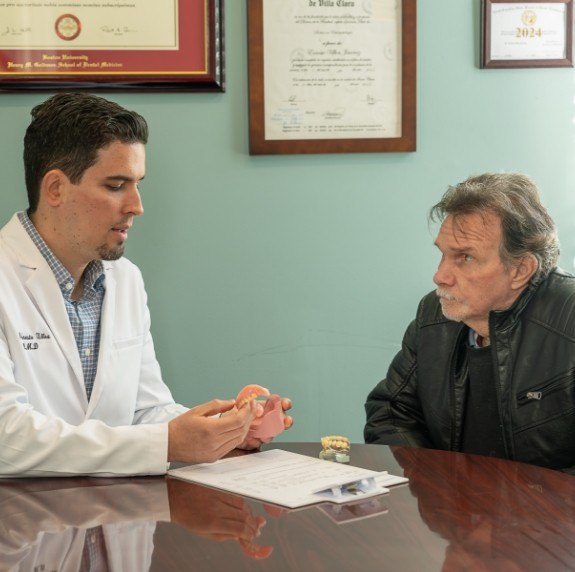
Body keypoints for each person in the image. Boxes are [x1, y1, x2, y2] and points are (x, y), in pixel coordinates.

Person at [0, 92, 292, 477]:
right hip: (24, 527)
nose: (136, 205)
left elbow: (146, 412)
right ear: (55, 188)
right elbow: (8, 438)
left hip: (118, 521)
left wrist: (226, 430)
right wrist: (168, 442)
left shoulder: (125, 280)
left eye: (137, 184)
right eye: (116, 185)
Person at [364, 172, 575, 472]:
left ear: (521, 269)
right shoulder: (434, 314)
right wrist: (436, 484)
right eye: (444, 254)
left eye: (465, 257)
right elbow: (391, 411)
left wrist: (524, 508)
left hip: (547, 517)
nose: (440, 276)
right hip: (453, 514)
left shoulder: (569, 321)